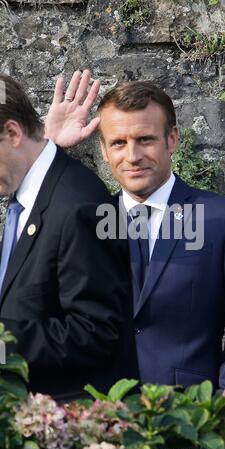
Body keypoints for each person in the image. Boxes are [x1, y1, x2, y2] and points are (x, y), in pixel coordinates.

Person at [45, 71, 225, 391]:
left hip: (192, 423)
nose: (133, 156)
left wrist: (220, 423)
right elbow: (31, 293)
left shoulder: (224, 220)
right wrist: (50, 153)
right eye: (119, 143)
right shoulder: (84, 226)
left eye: (145, 139)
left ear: (172, 139)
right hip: (100, 424)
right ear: (105, 151)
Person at [0, 73, 138, 401]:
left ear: (12, 133)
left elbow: (96, 332)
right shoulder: (25, 195)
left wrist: (3, 346)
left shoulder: (80, 205)